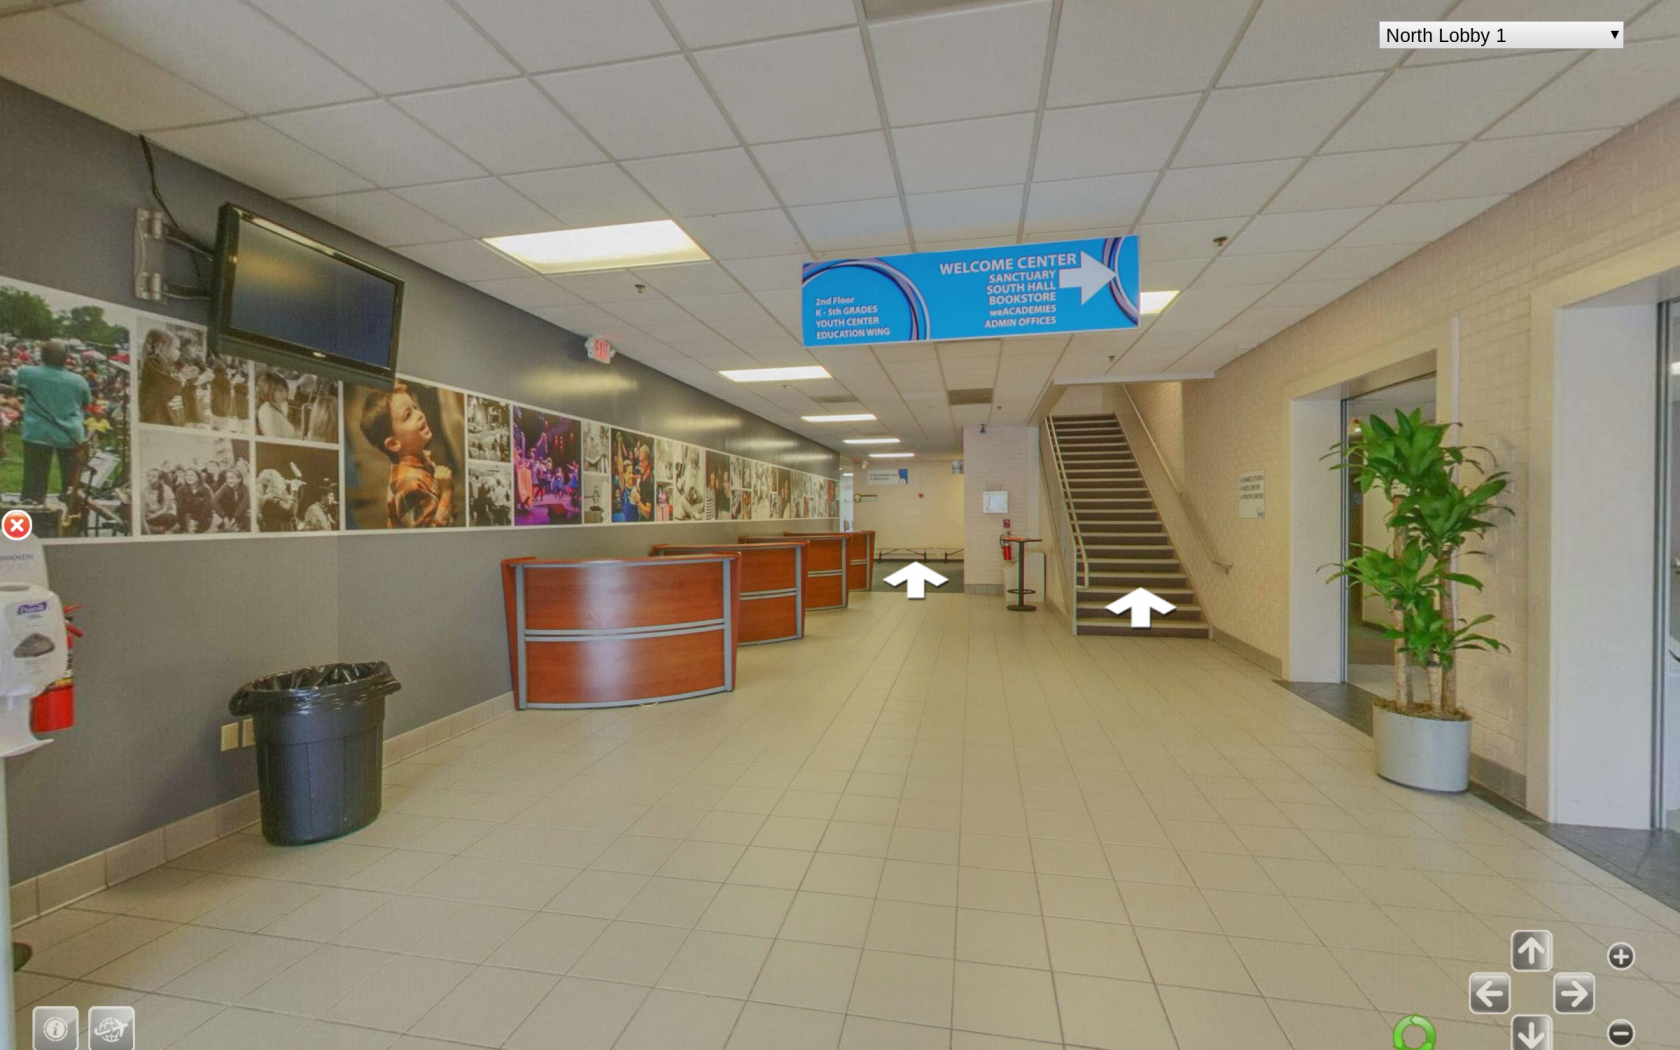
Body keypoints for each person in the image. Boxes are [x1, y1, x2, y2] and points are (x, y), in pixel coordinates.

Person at [358, 382, 454, 527]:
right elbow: (430, 534)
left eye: (415, 407)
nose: (419, 415)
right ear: (393, 443)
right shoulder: (409, 485)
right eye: (408, 415)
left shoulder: (421, 458)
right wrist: (447, 492)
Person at [16, 340, 90, 505]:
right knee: (72, 483)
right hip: (70, 433)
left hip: (37, 432)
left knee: (34, 482)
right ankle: (73, 512)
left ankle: (34, 506)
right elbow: (85, 403)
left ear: (42, 356)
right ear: (66, 358)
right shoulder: (79, 380)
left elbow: (18, 391)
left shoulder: (26, 372)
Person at [138, 328, 184, 426]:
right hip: (157, 415)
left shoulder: (168, 365)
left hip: (167, 413)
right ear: (161, 346)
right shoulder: (153, 362)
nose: (178, 352)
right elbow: (167, 384)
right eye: (175, 348)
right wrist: (181, 380)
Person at [255, 371, 297, 439]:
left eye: (285, 390)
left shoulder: (277, 406)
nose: (285, 394)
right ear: (268, 390)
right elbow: (274, 439)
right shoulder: (267, 411)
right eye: (280, 390)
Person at [174, 467, 213, 533]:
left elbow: (206, 508)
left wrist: (197, 521)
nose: (189, 477)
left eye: (192, 475)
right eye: (187, 475)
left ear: (198, 477)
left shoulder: (205, 489)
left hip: (202, 518)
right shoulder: (180, 490)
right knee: (188, 520)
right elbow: (181, 508)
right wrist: (190, 521)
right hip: (186, 518)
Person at [213, 464, 249, 530]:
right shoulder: (226, 486)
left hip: (242, 514)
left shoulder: (245, 488)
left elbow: (244, 504)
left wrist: (235, 517)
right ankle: (228, 521)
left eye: (232, 478)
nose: (229, 480)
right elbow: (214, 501)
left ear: (239, 479)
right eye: (227, 478)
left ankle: (238, 524)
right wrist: (224, 516)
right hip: (229, 514)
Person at [142, 468, 177, 534]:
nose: (150, 478)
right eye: (148, 476)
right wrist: (147, 515)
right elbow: (145, 507)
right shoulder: (144, 490)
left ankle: (159, 529)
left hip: (164, 514)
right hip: (151, 513)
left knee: (168, 518)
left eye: (153, 476)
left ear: (159, 479)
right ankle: (159, 529)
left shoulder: (166, 489)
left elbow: (164, 509)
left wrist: (151, 517)